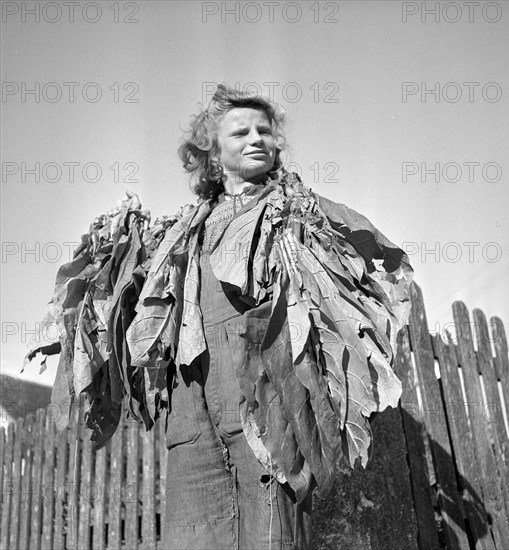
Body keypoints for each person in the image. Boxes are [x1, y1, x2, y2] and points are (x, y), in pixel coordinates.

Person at [28, 84, 413, 550]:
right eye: (240, 132)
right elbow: (134, 299)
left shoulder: (296, 214)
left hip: (265, 397)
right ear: (212, 154)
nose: (256, 139)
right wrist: (117, 237)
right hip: (191, 406)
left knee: (272, 532)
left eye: (265, 131)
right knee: (193, 533)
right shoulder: (184, 231)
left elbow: (338, 299)